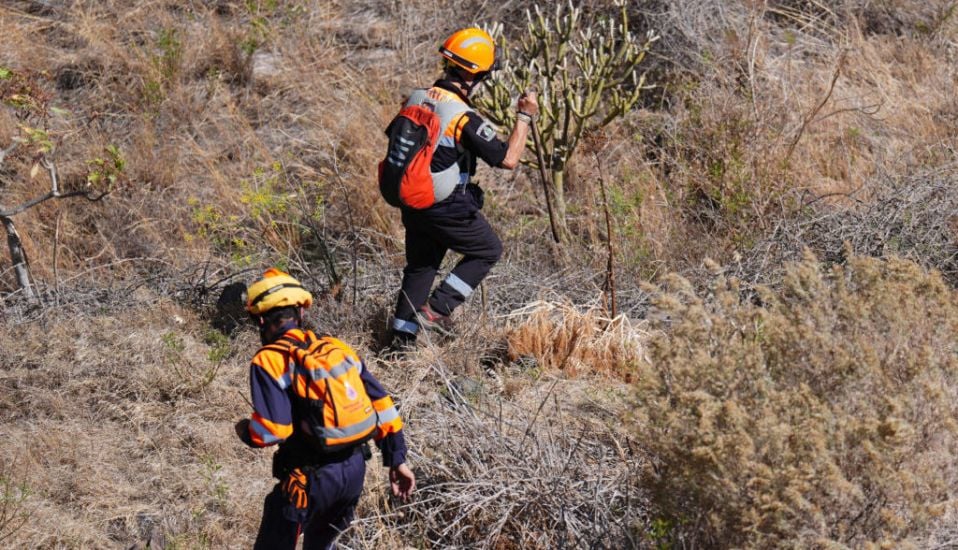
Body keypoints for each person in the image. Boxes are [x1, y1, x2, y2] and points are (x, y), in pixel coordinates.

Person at [236, 268, 415, 549]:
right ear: (301, 313)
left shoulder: (269, 360)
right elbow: (383, 404)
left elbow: (273, 430)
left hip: (309, 479)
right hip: (355, 472)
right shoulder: (337, 348)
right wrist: (397, 459)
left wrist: (247, 431)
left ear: (260, 319)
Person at [388, 27, 539, 349]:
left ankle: (399, 343)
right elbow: (508, 159)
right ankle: (436, 310)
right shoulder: (462, 116)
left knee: (421, 267)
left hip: (412, 201)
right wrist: (524, 118)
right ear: (474, 75)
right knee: (487, 250)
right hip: (444, 204)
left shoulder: (415, 98)